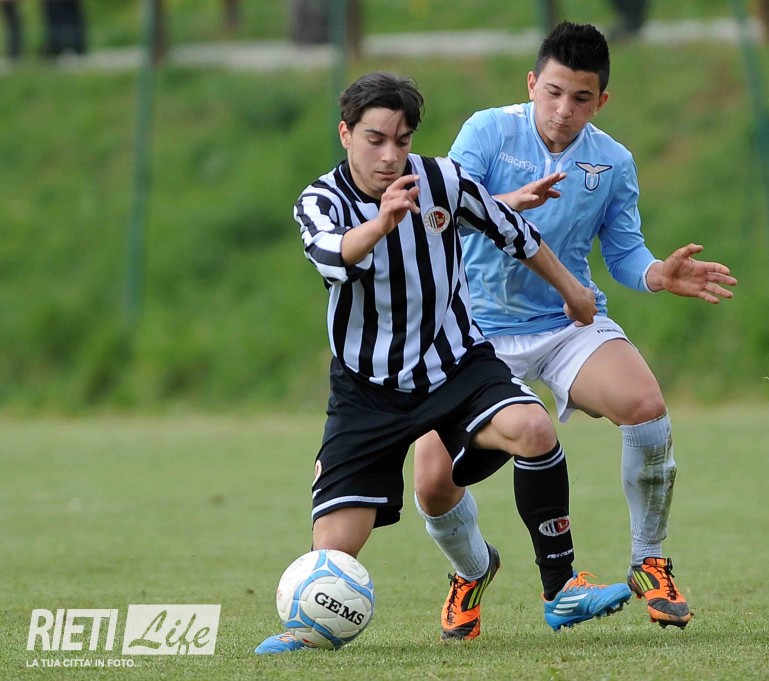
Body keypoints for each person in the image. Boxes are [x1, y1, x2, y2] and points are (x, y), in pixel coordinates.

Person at [255, 71, 632, 655]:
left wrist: (573, 291)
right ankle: (310, 628)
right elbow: (331, 255)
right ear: (345, 133)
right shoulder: (320, 201)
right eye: (375, 139)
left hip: (455, 364)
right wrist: (381, 222)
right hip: (367, 390)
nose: (390, 155)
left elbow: (514, 231)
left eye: (402, 140)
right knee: (332, 552)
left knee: (533, 428)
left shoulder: (442, 180)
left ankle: (561, 590)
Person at [413, 21, 737, 640]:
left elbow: (625, 253)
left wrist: (658, 275)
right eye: (554, 92)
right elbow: (442, 212)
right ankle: (472, 569)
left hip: (565, 321)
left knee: (645, 405)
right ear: (532, 84)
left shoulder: (612, 161)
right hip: (472, 333)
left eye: (581, 98)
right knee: (431, 483)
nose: (564, 110)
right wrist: (510, 203)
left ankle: (649, 561)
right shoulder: (487, 131)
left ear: (601, 101)